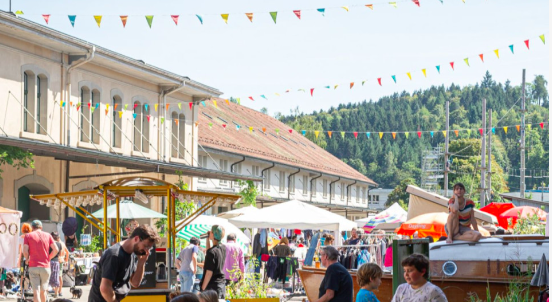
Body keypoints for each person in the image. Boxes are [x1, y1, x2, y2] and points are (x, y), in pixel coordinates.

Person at [88, 225, 160, 302]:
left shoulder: (131, 253)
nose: (146, 250)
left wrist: (141, 263)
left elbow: (135, 283)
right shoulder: (114, 255)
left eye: (149, 248)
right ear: (136, 239)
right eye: (146, 246)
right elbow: (105, 288)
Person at [23, 220, 59, 302]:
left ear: (32, 228)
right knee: (43, 292)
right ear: (41, 227)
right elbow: (56, 249)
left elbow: (25, 251)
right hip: (46, 267)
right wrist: (48, 258)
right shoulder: (48, 235)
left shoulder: (28, 236)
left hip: (33, 266)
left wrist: (27, 258)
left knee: (36, 293)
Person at [200, 225, 226, 299]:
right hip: (221, 284)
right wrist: (207, 239)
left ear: (214, 234)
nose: (209, 233)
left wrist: (203, 288)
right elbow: (209, 251)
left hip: (212, 286)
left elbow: (209, 273)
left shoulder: (212, 252)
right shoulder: (223, 248)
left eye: (211, 232)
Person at [48, 232, 66, 298]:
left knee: (47, 277)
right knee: (56, 277)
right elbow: (60, 255)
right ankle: (56, 293)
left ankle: (46, 293)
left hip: (49, 261)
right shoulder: (59, 244)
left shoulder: (49, 244)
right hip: (56, 262)